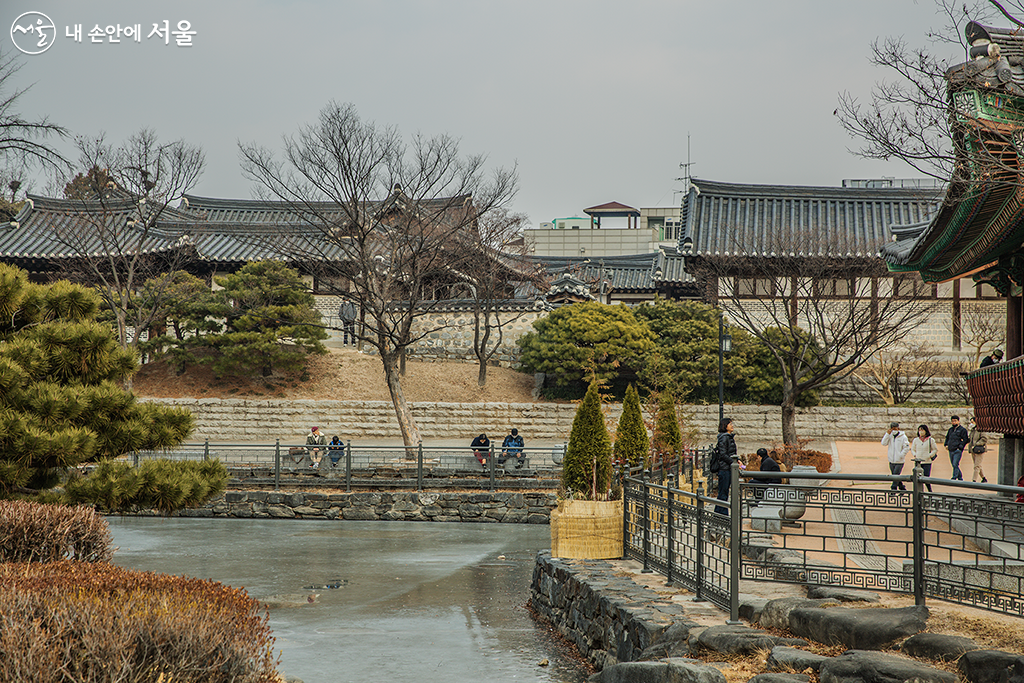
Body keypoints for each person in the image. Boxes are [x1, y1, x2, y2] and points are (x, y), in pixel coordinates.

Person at [711, 418, 737, 515]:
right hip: (724, 468)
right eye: (730, 424)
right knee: (723, 493)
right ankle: (721, 515)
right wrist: (733, 462)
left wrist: (736, 460)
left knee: (724, 493)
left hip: (728, 468)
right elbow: (723, 454)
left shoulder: (728, 437)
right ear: (725, 426)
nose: (732, 425)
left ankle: (719, 515)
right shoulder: (724, 437)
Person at [881, 421, 910, 491]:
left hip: (899, 461)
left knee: (895, 476)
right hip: (891, 460)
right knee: (896, 476)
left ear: (898, 428)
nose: (894, 430)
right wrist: (887, 434)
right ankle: (902, 488)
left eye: (895, 428)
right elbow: (883, 443)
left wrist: (901, 455)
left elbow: (906, 447)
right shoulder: (889, 436)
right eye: (892, 429)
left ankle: (893, 489)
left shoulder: (903, 437)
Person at [910, 424, 938, 493]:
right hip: (918, 461)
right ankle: (919, 492)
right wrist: (915, 455)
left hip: (927, 461)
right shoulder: (916, 440)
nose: (921, 432)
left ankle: (929, 491)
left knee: (926, 477)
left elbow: (935, 449)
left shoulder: (930, 440)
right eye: (919, 430)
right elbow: (912, 449)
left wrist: (929, 455)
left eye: (922, 430)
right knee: (917, 478)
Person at [944, 415, 968, 481]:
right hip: (951, 449)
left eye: (955, 421)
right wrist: (946, 444)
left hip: (957, 450)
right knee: (954, 465)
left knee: (955, 463)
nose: (954, 422)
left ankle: (954, 477)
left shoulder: (962, 430)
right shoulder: (950, 430)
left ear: (958, 421)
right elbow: (947, 437)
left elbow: (965, 439)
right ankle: (960, 477)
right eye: (952, 421)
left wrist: (960, 446)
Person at [968, 416, 988, 483]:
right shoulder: (973, 430)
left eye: (972, 422)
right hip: (973, 450)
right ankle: (984, 478)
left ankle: (974, 480)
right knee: (978, 465)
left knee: (976, 466)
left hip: (979, 449)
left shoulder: (981, 429)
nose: (971, 424)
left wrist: (977, 444)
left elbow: (984, 438)